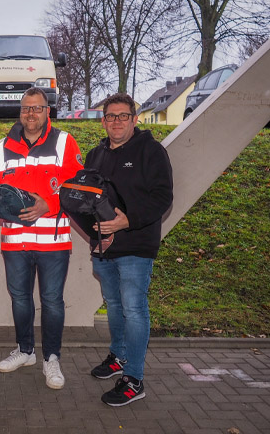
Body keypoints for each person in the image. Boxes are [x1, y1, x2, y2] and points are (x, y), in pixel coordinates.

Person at [0, 87, 83, 390]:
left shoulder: (65, 142)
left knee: (52, 301)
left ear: (48, 111)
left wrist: (48, 204)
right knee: (20, 299)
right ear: (20, 112)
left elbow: (76, 189)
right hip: (15, 241)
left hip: (53, 242)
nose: (31, 114)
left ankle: (51, 358)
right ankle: (26, 351)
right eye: (26, 108)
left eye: (37, 108)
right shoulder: (0, 148)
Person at [85, 93, 173, 406]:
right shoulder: (95, 154)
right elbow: (86, 200)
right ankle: (119, 357)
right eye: (111, 116)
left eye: (123, 116)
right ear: (104, 120)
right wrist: (96, 235)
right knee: (113, 303)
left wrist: (126, 222)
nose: (117, 121)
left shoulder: (151, 151)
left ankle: (134, 378)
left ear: (134, 120)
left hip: (136, 245)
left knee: (134, 308)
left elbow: (163, 197)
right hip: (104, 248)